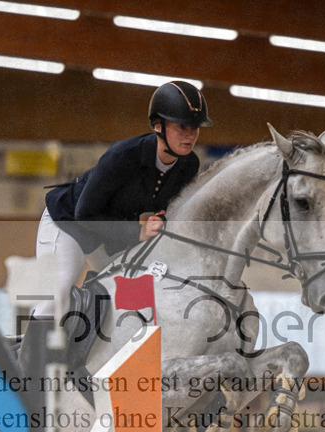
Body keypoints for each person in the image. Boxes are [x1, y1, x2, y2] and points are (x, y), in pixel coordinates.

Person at [32, 80, 213, 319]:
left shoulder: (189, 165)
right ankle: (28, 357)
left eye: (195, 127)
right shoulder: (124, 155)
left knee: (135, 296)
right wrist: (136, 233)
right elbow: (84, 214)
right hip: (68, 223)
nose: (190, 135)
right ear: (158, 126)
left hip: (109, 233)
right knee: (57, 296)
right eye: (182, 126)